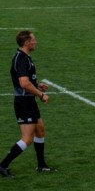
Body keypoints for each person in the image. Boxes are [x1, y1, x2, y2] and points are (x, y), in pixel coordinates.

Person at [0, 31, 54, 178]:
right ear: (26, 42)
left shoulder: (24, 57)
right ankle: (2, 165)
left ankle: (41, 165)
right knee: (27, 139)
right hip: (23, 102)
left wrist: (37, 85)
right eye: (33, 40)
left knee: (40, 131)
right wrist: (40, 94)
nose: (35, 42)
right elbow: (23, 83)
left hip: (28, 100)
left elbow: (26, 80)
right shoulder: (21, 59)